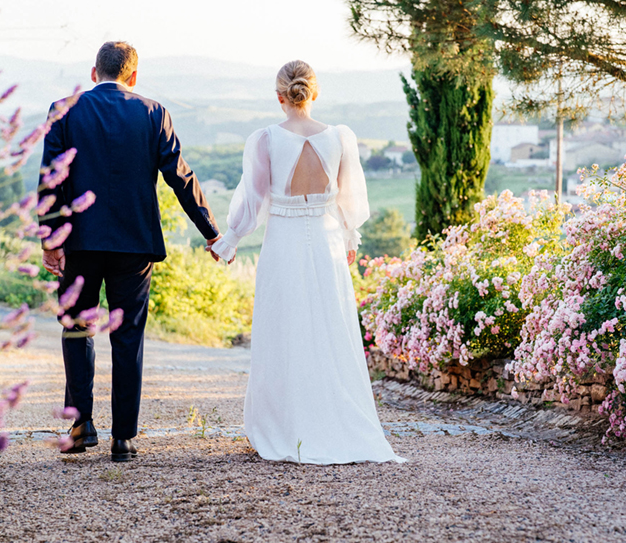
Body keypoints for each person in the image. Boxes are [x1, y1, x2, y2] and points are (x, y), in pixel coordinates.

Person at [211, 60, 404, 464]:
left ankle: (285, 427)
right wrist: (350, 236)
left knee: (284, 329)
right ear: (314, 94)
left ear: (279, 96)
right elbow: (350, 199)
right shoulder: (340, 138)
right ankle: (333, 421)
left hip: (282, 242)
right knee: (329, 328)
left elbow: (254, 200)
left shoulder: (265, 139)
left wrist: (229, 241)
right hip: (326, 239)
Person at [39, 41, 222, 461]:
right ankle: (124, 437)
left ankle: (81, 425)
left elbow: (51, 178)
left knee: (77, 329)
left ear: (93, 72)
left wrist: (50, 239)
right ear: (133, 77)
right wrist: (210, 231)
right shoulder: (154, 113)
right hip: (134, 245)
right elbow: (180, 177)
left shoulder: (63, 110)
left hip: (79, 241)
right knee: (128, 337)